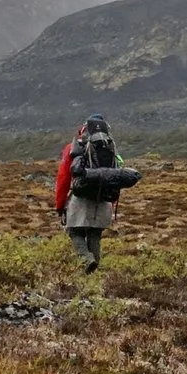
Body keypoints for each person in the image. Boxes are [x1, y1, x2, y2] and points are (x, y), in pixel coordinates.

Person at [54, 115, 125, 270]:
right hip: (104, 198)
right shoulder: (111, 148)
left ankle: (87, 260)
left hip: (81, 198)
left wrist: (60, 205)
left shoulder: (75, 148)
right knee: (95, 234)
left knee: (74, 232)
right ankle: (94, 276)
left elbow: (64, 178)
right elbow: (115, 175)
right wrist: (111, 200)